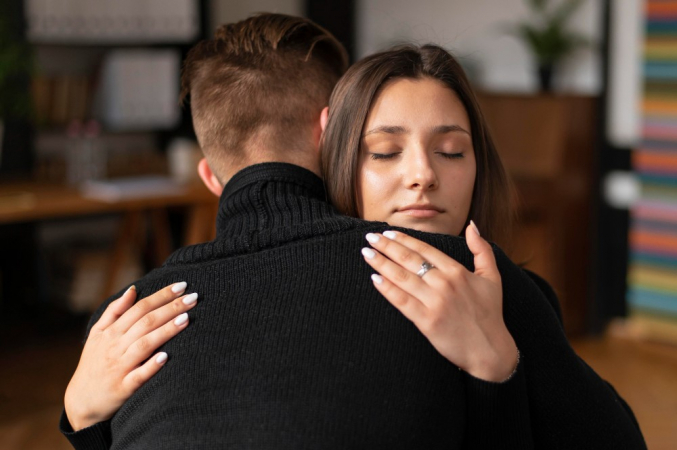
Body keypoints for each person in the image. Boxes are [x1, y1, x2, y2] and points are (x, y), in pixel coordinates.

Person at [61, 15, 646, 450]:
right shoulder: (459, 279)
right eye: (384, 150)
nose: (421, 177)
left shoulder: (124, 320)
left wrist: (80, 414)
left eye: (450, 149)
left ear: (211, 176)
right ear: (332, 135)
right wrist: (498, 370)